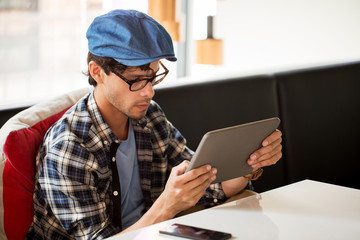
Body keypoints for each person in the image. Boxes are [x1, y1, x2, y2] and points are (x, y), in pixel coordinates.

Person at [27, 9, 282, 239]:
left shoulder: (149, 117)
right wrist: (168, 205)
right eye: (137, 80)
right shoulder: (69, 147)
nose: (149, 92)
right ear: (97, 72)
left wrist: (249, 164)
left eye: (154, 77)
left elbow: (209, 187)